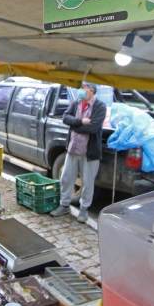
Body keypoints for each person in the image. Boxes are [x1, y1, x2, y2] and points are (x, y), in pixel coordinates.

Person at [49, 82, 107, 223]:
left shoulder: (100, 106)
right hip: (73, 148)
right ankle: (64, 205)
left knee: (88, 182)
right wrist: (81, 121)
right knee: (66, 177)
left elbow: (93, 128)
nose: (80, 90)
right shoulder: (77, 103)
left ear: (91, 90)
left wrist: (75, 126)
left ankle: (84, 209)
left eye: (83, 88)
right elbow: (65, 118)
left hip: (89, 152)